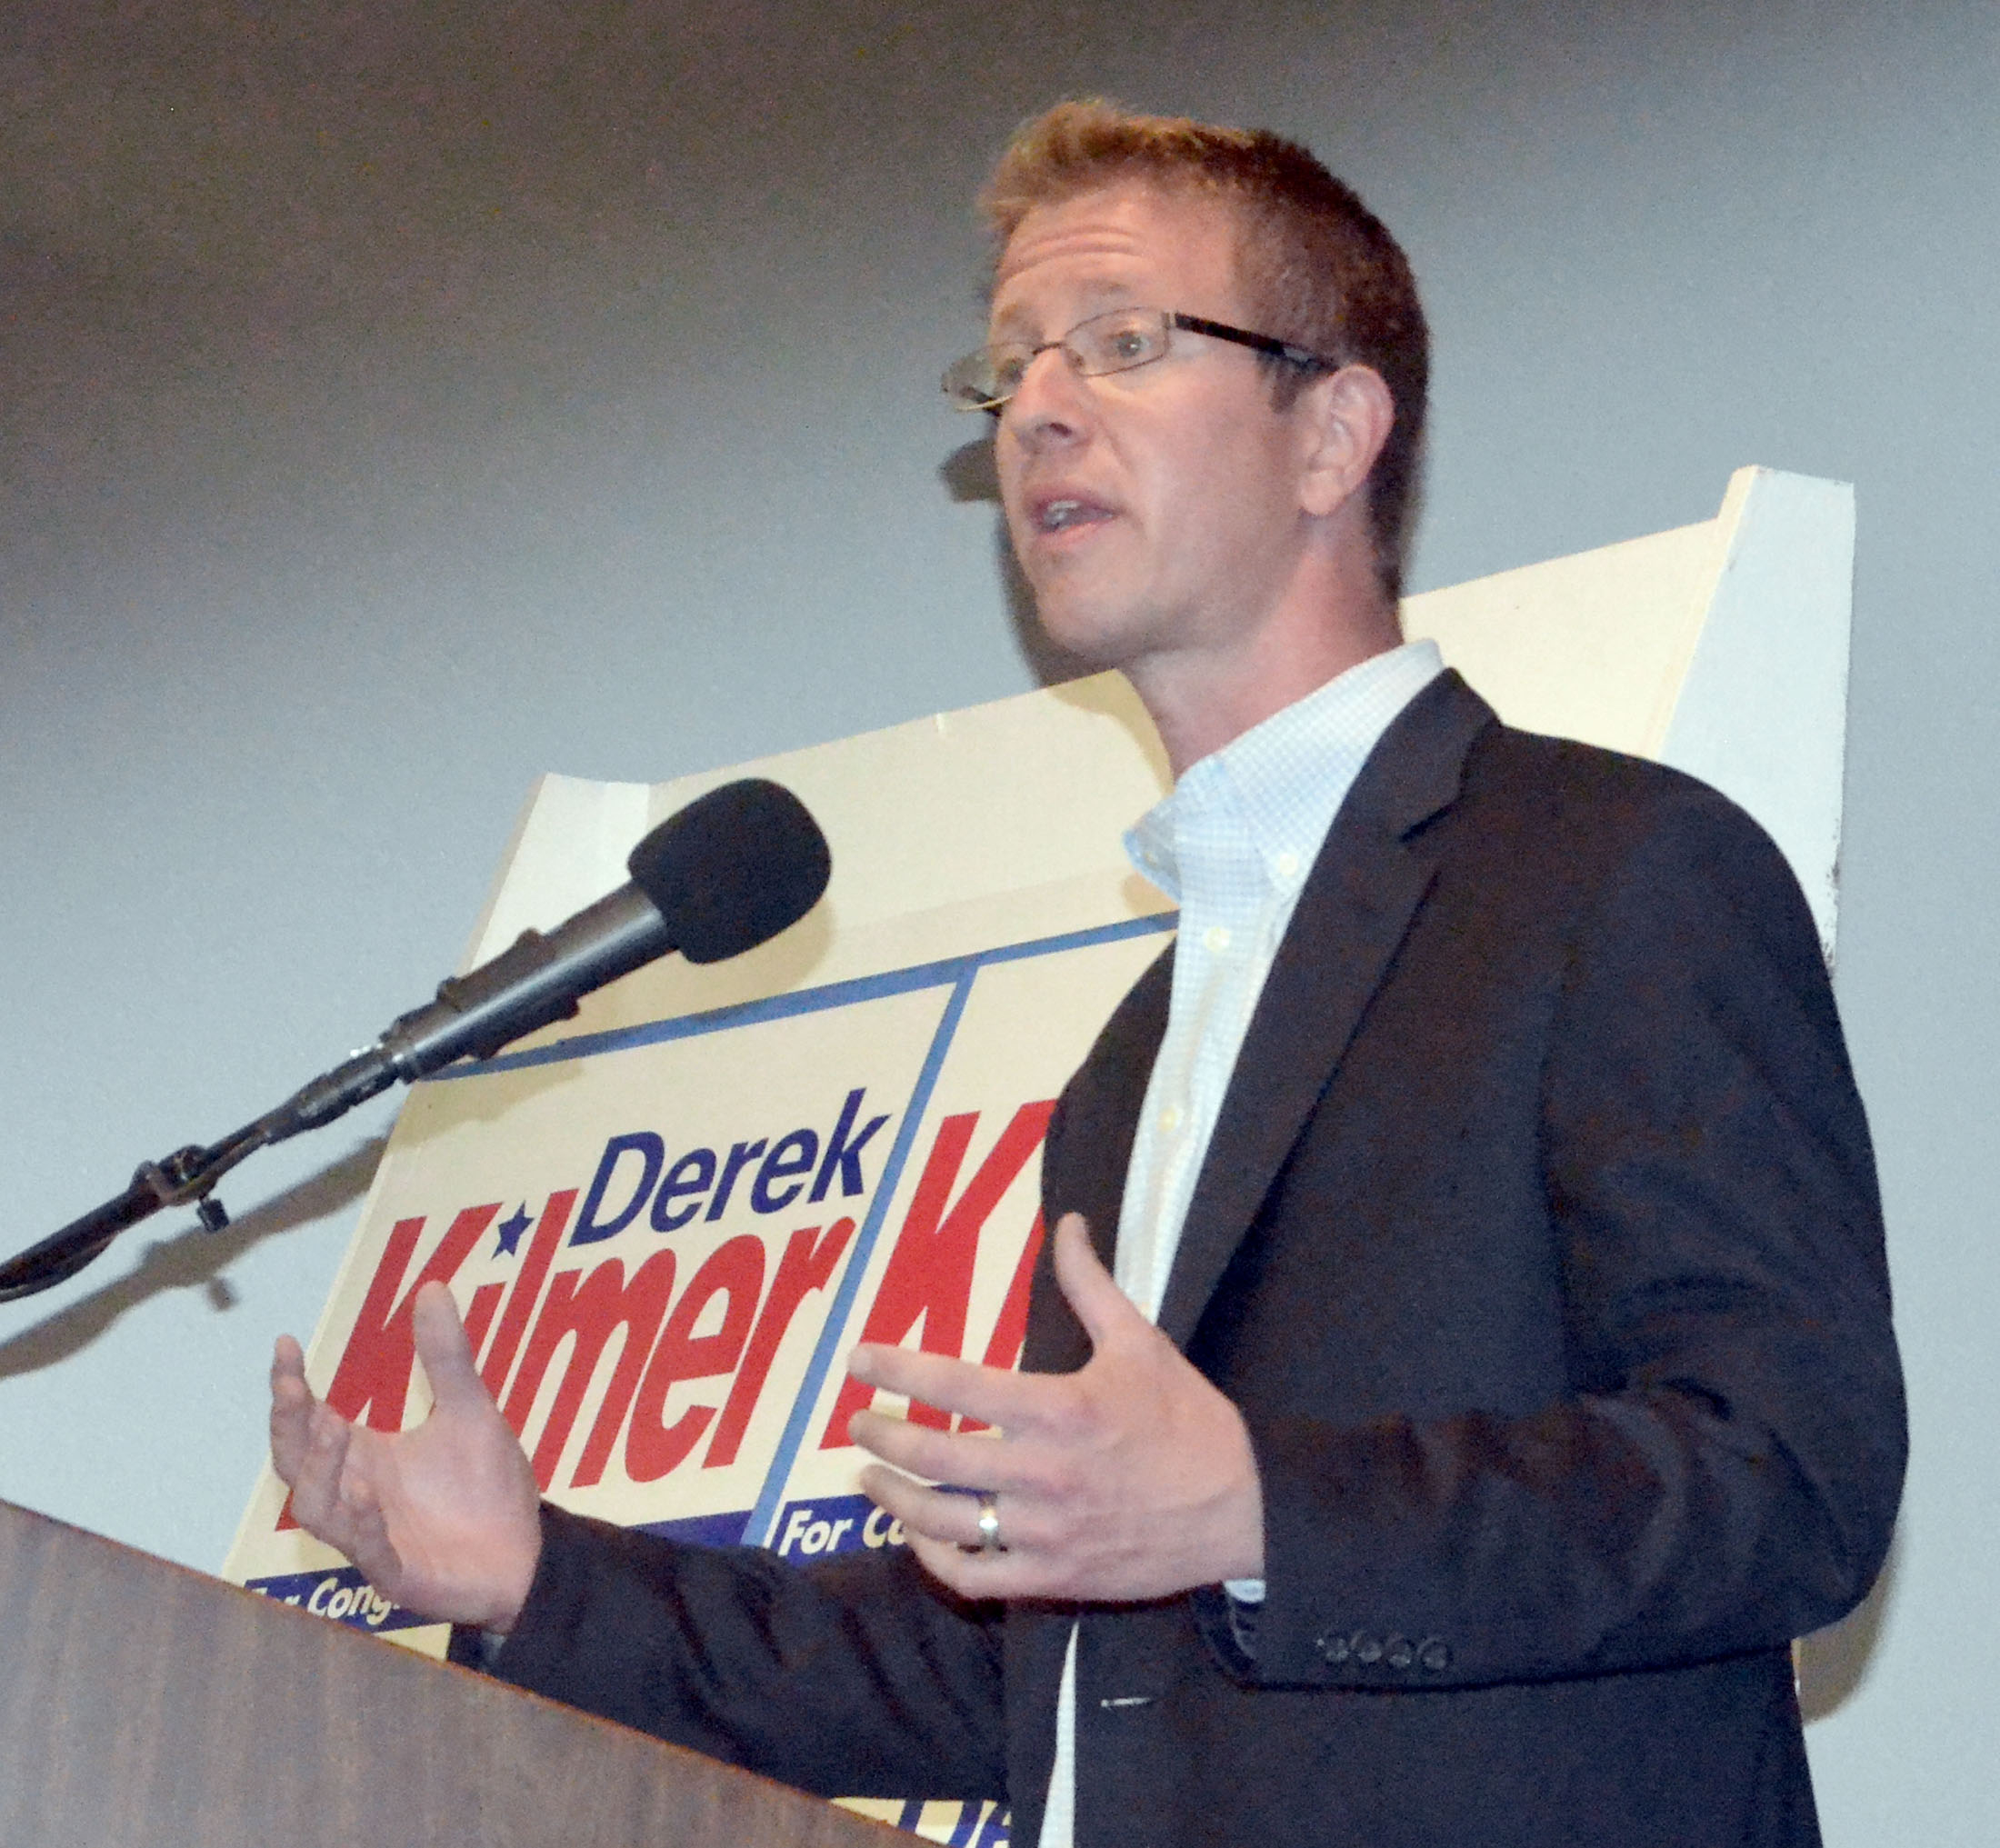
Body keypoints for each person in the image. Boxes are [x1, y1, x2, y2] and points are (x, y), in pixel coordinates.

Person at [270, 100, 1905, 1847]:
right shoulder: (1142, 1056)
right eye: (1010, 370)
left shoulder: (1614, 872)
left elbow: (1785, 1479)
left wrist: (1265, 1509)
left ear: (1333, 429)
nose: (1037, 406)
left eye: (1123, 344)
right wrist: (531, 1575)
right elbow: (1018, 1669)